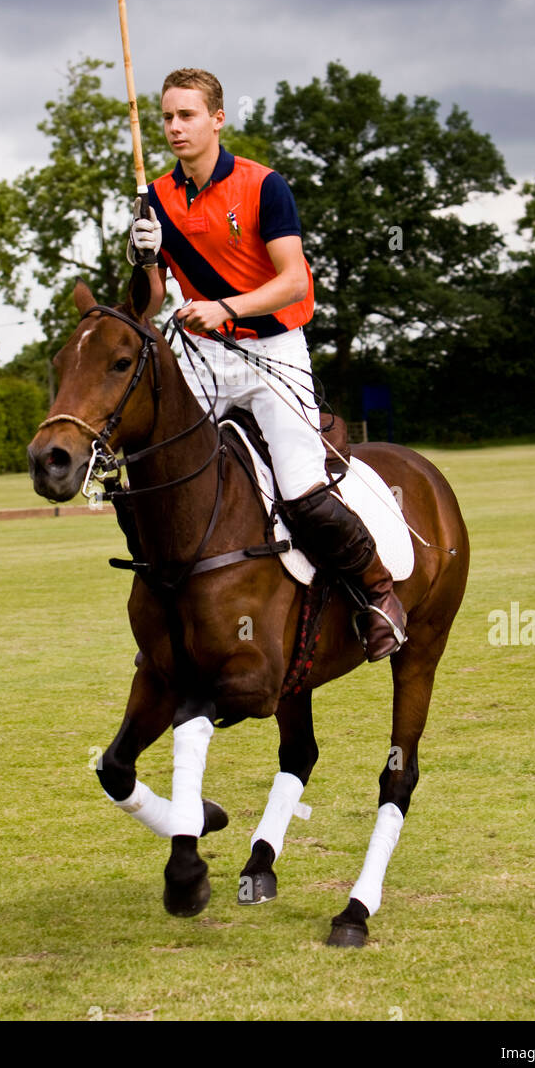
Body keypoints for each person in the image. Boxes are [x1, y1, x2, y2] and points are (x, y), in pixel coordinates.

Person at [127, 67, 406, 661]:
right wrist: (144, 258)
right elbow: (149, 304)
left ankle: (378, 591)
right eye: (168, 117)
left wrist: (224, 306)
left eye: (187, 115)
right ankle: (169, 608)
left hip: (271, 350)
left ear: (217, 119)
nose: (175, 127)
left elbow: (293, 280)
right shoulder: (154, 197)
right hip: (200, 355)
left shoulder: (263, 186)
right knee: (158, 476)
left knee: (302, 492)